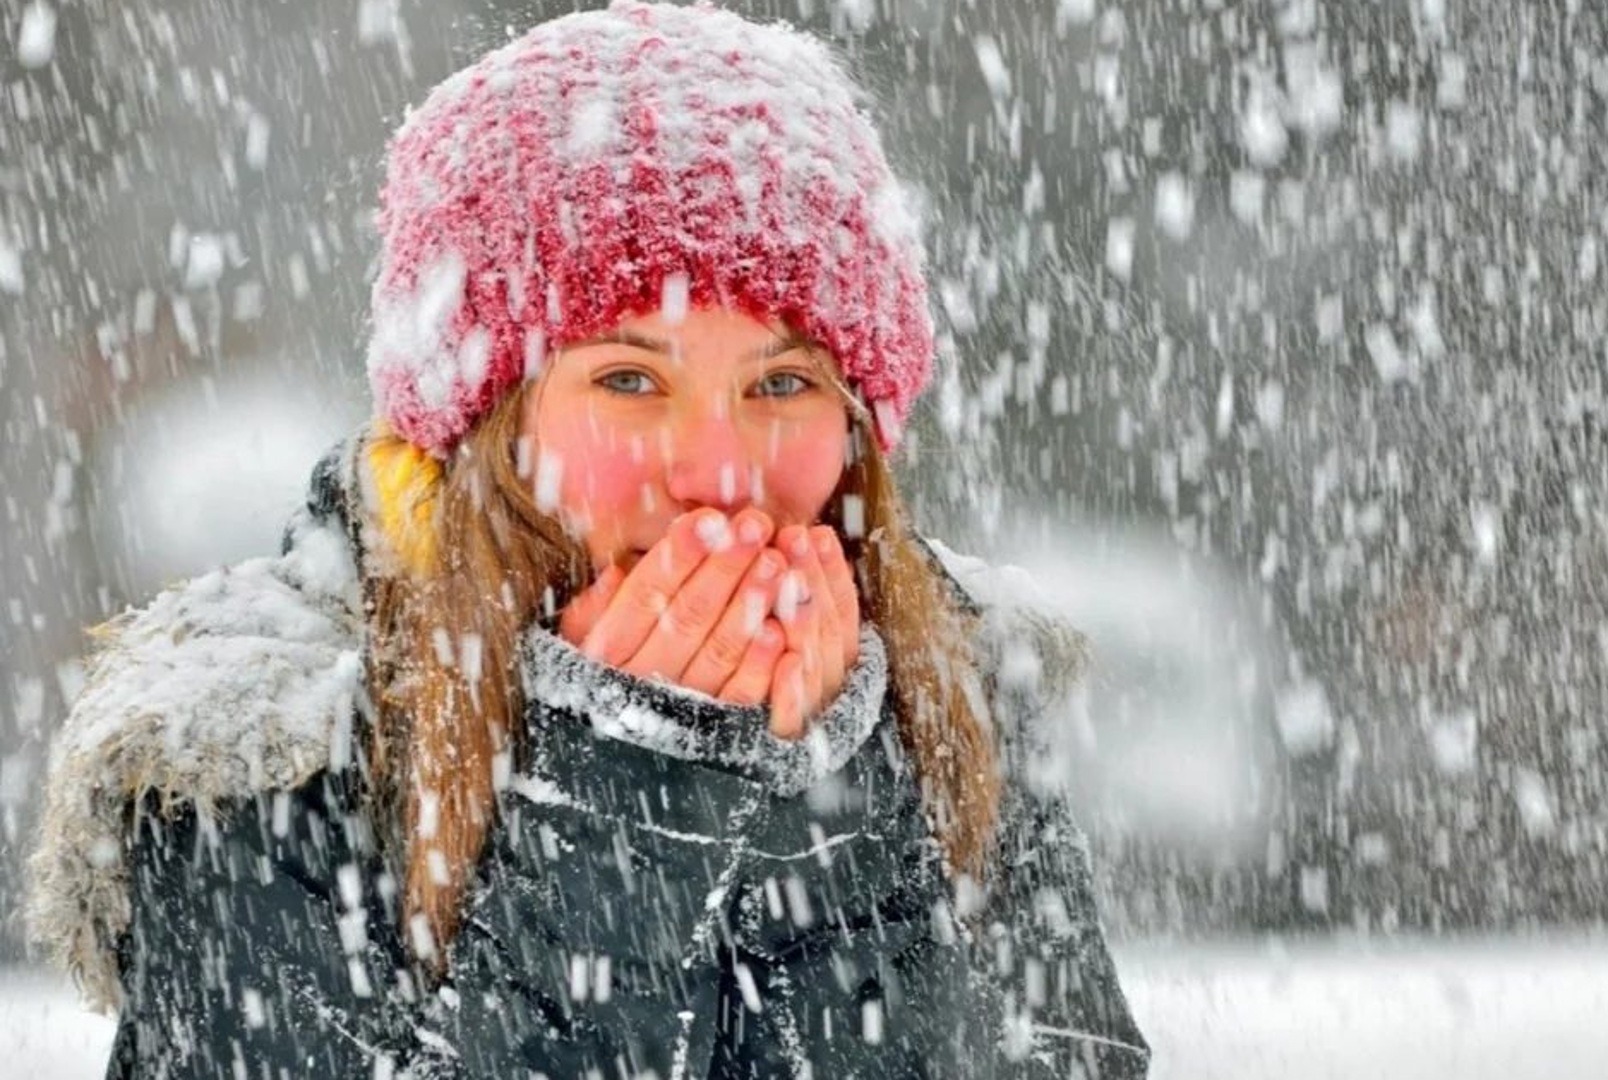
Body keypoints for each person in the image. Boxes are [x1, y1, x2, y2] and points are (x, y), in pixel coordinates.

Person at [24, 3, 1150, 1077]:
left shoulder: (950, 687)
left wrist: (831, 798)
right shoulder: (266, 748)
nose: (718, 470)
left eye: (784, 382)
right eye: (628, 377)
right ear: (482, 426)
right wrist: (627, 804)